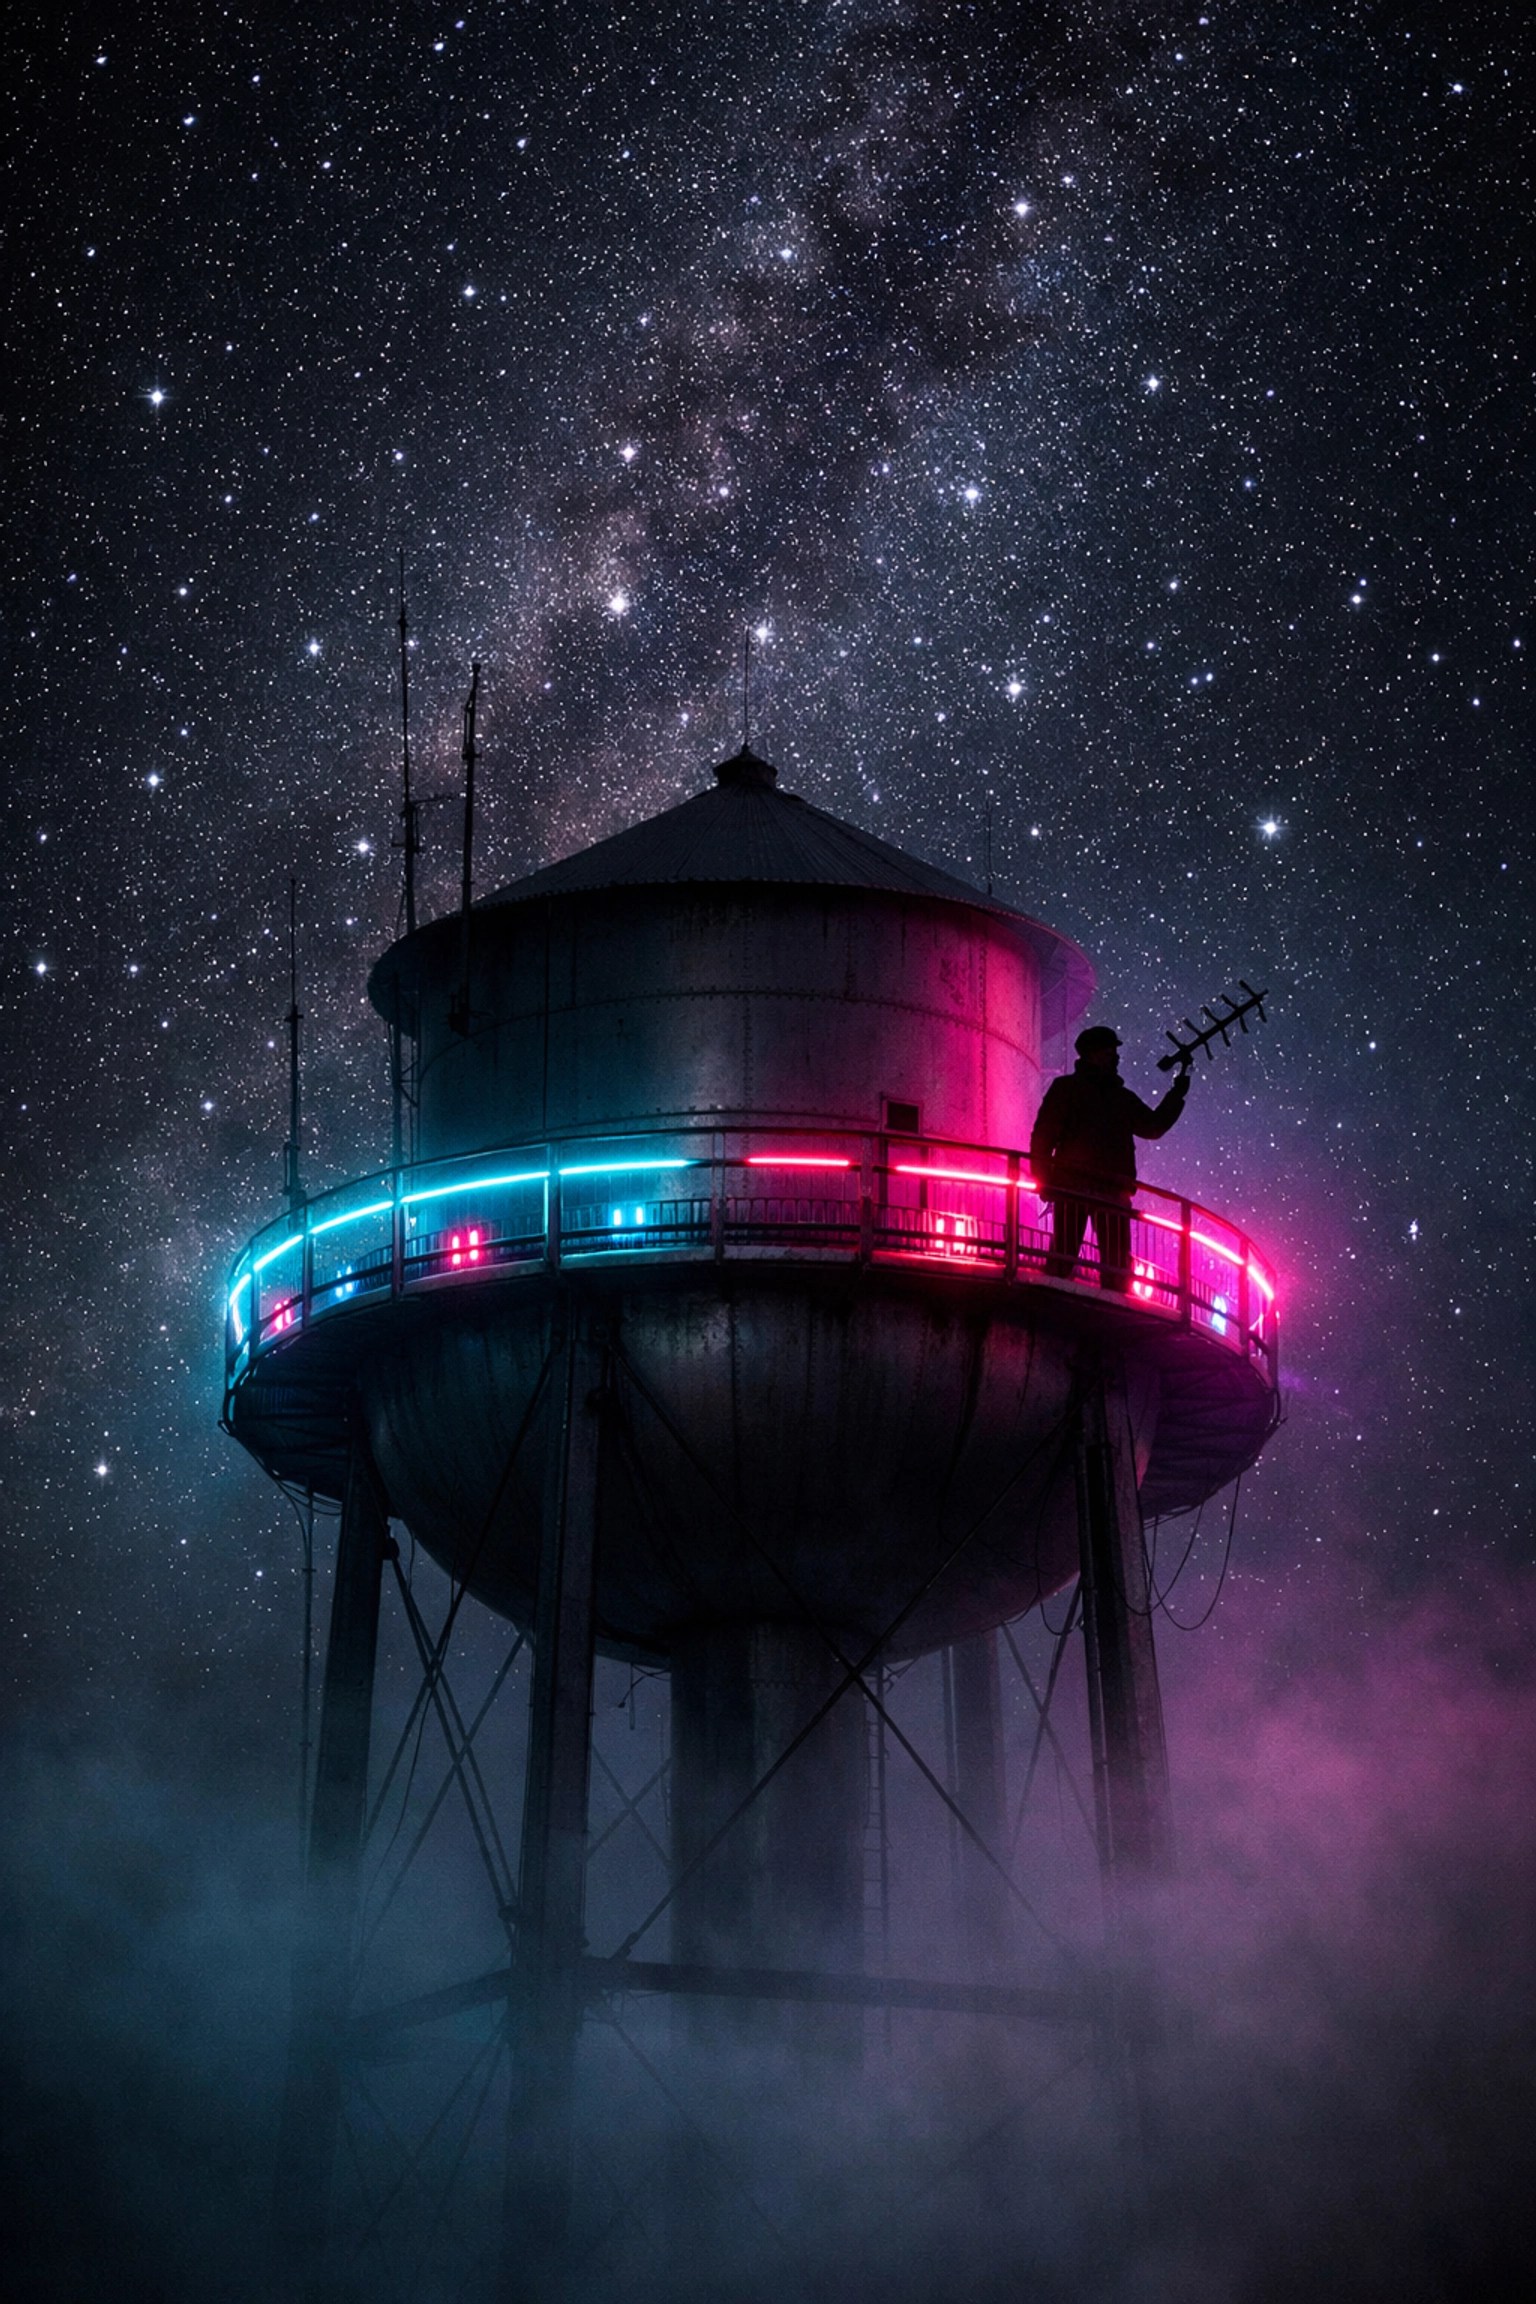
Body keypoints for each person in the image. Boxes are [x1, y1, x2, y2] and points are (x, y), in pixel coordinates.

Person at [1028, 1025, 1190, 1291]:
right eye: (1111, 1050)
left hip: (1073, 1187)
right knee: (1114, 1267)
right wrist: (1177, 1093)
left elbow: (1043, 1137)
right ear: (1093, 1054)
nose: (1116, 1056)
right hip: (1105, 1191)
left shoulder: (1069, 1089)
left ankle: (1050, 1296)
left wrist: (1044, 1180)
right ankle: (1102, 1297)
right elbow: (1153, 1126)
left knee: (1064, 1256)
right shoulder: (1117, 1098)